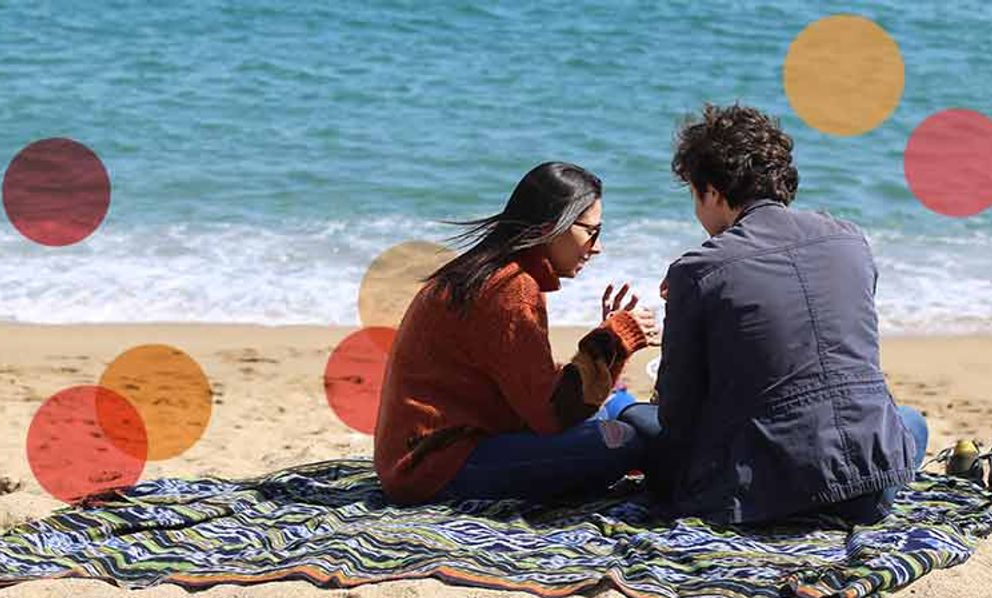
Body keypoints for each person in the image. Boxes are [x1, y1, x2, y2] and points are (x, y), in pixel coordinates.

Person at [618, 103, 928, 525]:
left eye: (694, 193)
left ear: (711, 191)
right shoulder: (851, 241)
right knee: (908, 422)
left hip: (761, 493)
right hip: (868, 487)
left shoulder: (699, 270)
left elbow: (679, 414)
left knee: (634, 418)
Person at [373, 161, 660, 505]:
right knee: (622, 440)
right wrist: (613, 340)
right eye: (591, 232)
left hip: (446, 446)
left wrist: (611, 345)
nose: (596, 247)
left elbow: (534, 393)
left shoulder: (496, 272)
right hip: (437, 465)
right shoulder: (511, 288)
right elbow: (550, 415)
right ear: (554, 226)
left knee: (620, 407)